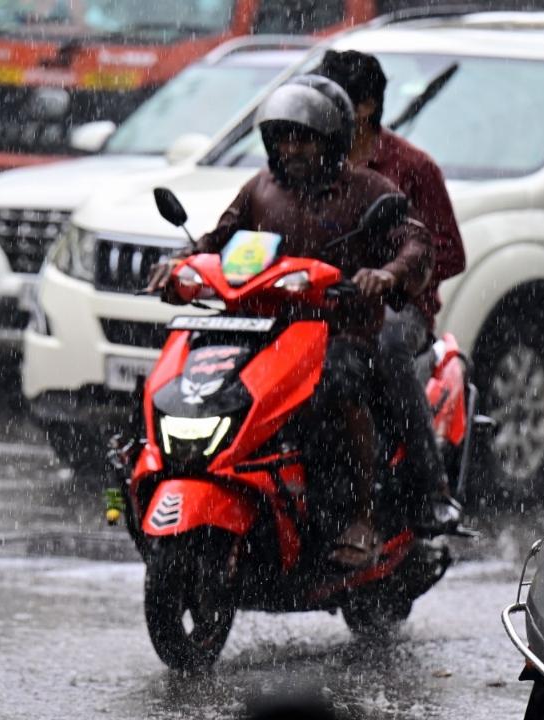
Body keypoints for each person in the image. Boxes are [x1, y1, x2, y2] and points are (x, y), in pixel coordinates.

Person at [146, 75, 433, 567]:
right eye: (282, 136)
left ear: (332, 141)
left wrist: (384, 275)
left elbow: (416, 242)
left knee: (338, 386)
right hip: (263, 333)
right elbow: (216, 240)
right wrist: (177, 264)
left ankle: (361, 515)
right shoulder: (259, 190)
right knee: (189, 385)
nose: (291, 147)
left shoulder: (368, 190)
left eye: (303, 137)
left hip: (339, 333)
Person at [315, 49, 467, 530]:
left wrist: (394, 277)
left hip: (398, 313)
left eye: (331, 98)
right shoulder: (311, 161)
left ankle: (431, 485)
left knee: (385, 341)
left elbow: (449, 252)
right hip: (323, 304)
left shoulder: (412, 167)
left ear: (364, 107)